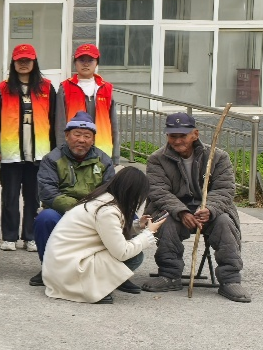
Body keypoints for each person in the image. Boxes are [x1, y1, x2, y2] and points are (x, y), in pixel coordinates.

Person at [142, 112, 249, 302]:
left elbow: (225, 189)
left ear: (195, 134)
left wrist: (210, 209)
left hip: (208, 210)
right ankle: (169, 275)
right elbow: (157, 191)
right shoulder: (157, 159)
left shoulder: (218, 157)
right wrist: (181, 211)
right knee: (166, 222)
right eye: (172, 136)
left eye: (182, 135)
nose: (177, 141)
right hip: (174, 210)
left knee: (224, 222)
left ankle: (230, 280)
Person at [42, 169, 166, 304]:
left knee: (129, 250)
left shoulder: (102, 199)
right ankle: (90, 289)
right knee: (134, 256)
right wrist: (148, 233)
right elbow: (122, 252)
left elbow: (108, 231)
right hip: (68, 272)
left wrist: (138, 225)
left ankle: (103, 284)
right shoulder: (107, 211)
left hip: (62, 266)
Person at [30, 112, 115, 286]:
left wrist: (93, 210)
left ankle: (117, 272)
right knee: (45, 218)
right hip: (63, 210)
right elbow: (48, 193)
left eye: (87, 136)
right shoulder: (52, 159)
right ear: (67, 136)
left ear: (93, 139)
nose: (81, 140)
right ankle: (49, 268)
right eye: (77, 134)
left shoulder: (104, 161)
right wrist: (77, 209)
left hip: (95, 211)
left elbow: (111, 192)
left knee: (127, 217)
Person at [0, 44, 56, 253]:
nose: (23, 64)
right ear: (13, 63)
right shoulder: (2, 88)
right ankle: (9, 236)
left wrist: (55, 150)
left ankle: (30, 236)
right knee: (10, 196)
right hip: (11, 152)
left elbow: (54, 119)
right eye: (19, 60)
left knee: (33, 197)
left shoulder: (47, 88)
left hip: (39, 153)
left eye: (27, 60)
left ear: (34, 62)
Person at [56, 43, 118, 163]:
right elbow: (60, 124)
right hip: (74, 151)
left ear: (97, 63)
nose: (86, 64)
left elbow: (113, 125)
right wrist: (61, 153)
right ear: (75, 63)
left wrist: (115, 157)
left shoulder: (106, 88)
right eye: (81, 60)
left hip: (102, 151)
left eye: (90, 60)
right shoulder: (65, 88)